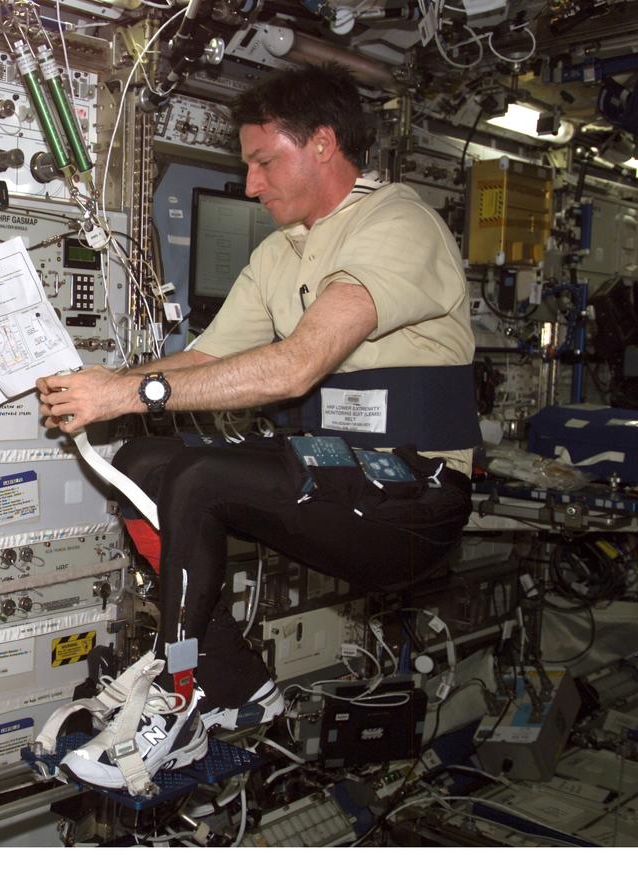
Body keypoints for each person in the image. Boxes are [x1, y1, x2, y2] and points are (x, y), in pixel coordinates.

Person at [38, 62, 478, 785]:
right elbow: (208, 356)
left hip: (415, 500)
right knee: (142, 464)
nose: (250, 184)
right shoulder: (279, 254)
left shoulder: (398, 224)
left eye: (263, 161)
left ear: (325, 145)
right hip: (336, 473)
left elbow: (297, 365)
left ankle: (181, 698)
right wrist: (107, 386)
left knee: (203, 476)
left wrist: (129, 393)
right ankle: (231, 683)